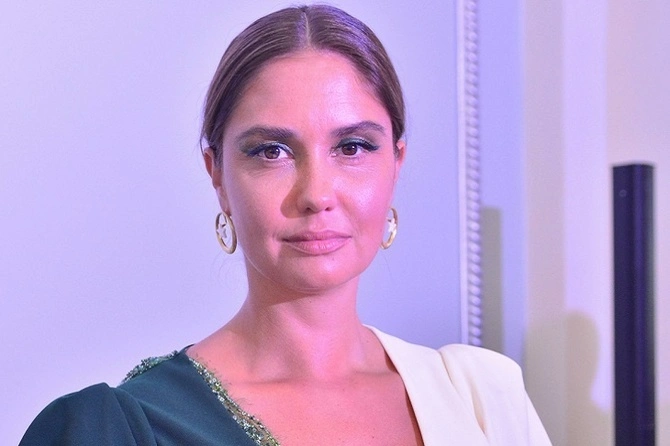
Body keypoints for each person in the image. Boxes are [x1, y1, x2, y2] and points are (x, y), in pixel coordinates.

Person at [20, 5, 551, 445]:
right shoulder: (121, 428)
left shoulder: (480, 398)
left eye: (353, 147)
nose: (316, 194)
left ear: (396, 162)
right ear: (217, 175)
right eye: (271, 151)